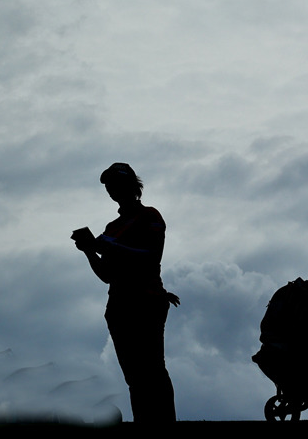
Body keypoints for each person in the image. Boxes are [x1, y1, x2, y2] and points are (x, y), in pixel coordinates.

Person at [74, 162, 177, 422]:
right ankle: (145, 422)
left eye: (116, 184)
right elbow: (107, 275)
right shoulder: (112, 227)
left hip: (147, 301)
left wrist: (104, 245)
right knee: (134, 375)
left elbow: (150, 257)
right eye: (109, 186)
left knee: (153, 369)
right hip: (119, 305)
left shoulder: (150, 216)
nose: (111, 190)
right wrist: (88, 250)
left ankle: (165, 424)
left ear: (133, 186)